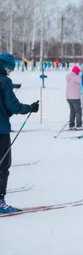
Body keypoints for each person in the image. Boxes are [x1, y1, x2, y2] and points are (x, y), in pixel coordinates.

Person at [0, 53, 38, 214]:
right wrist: (29, 108)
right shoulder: (4, 81)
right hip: (0, 130)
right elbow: (13, 105)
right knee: (3, 165)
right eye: (10, 68)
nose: (10, 72)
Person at [66, 66, 82, 130]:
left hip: (68, 97)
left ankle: (71, 124)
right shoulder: (76, 78)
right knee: (78, 111)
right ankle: (78, 125)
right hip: (75, 97)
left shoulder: (69, 76)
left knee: (72, 111)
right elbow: (82, 81)